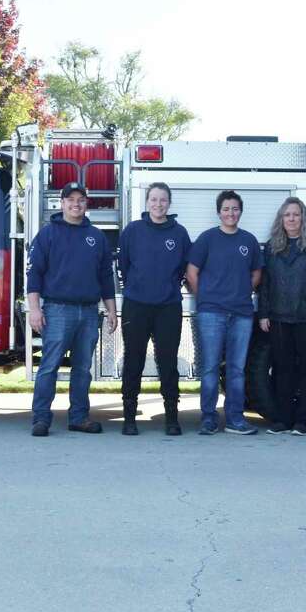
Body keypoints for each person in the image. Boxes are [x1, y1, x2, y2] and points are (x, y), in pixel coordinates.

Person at [26, 182, 118, 437]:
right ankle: (41, 419)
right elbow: (34, 275)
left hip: (89, 312)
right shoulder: (47, 234)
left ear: (86, 203)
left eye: (81, 199)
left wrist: (111, 311)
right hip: (56, 310)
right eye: (71, 199)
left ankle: (79, 417)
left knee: (82, 369)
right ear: (62, 202)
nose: (76, 204)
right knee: (49, 366)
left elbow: (106, 278)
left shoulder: (96, 237)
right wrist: (35, 310)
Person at [117, 182, 192, 436]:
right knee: (133, 360)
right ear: (147, 202)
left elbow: (184, 268)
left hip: (168, 307)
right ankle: (129, 417)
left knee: (168, 362)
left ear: (169, 204)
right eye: (154, 199)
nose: (158, 204)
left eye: (163, 200)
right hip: (136, 305)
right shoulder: (133, 231)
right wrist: (139, 287)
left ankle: (172, 417)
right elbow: (124, 266)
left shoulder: (179, 233)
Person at [186, 190, 263, 435]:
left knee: (237, 369)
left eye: (235, 209)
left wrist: (241, 292)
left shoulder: (248, 241)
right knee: (209, 368)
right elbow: (192, 272)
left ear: (241, 212)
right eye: (226, 209)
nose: (231, 213)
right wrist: (205, 297)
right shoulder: (207, 239)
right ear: (219, 212)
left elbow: (257, 273)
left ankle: (235, 419)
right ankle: (209, 419)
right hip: (211, 313)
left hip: (241, 314)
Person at [257, 198, 306, 436]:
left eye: (296, 214)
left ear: (304, 218)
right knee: (282, 369)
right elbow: (265, 283)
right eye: (287, 215)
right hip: (279, 318)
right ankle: (283, 420)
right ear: (281, 219)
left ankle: (302, 420)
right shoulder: (272, 246)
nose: (291, 219)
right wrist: (263, 313)